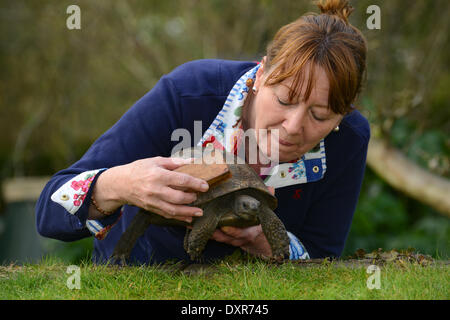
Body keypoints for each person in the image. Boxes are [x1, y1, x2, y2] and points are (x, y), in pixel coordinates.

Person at [36, 0, 369, 265]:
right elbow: (51, 210)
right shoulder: (188, 93)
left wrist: (267, 243)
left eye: (320, 115)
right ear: (262, 71)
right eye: (284, 99)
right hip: (140, 272)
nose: (294, 126)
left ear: (344, 113)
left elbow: (323, 257)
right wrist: (122, 184)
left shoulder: (349, 139)